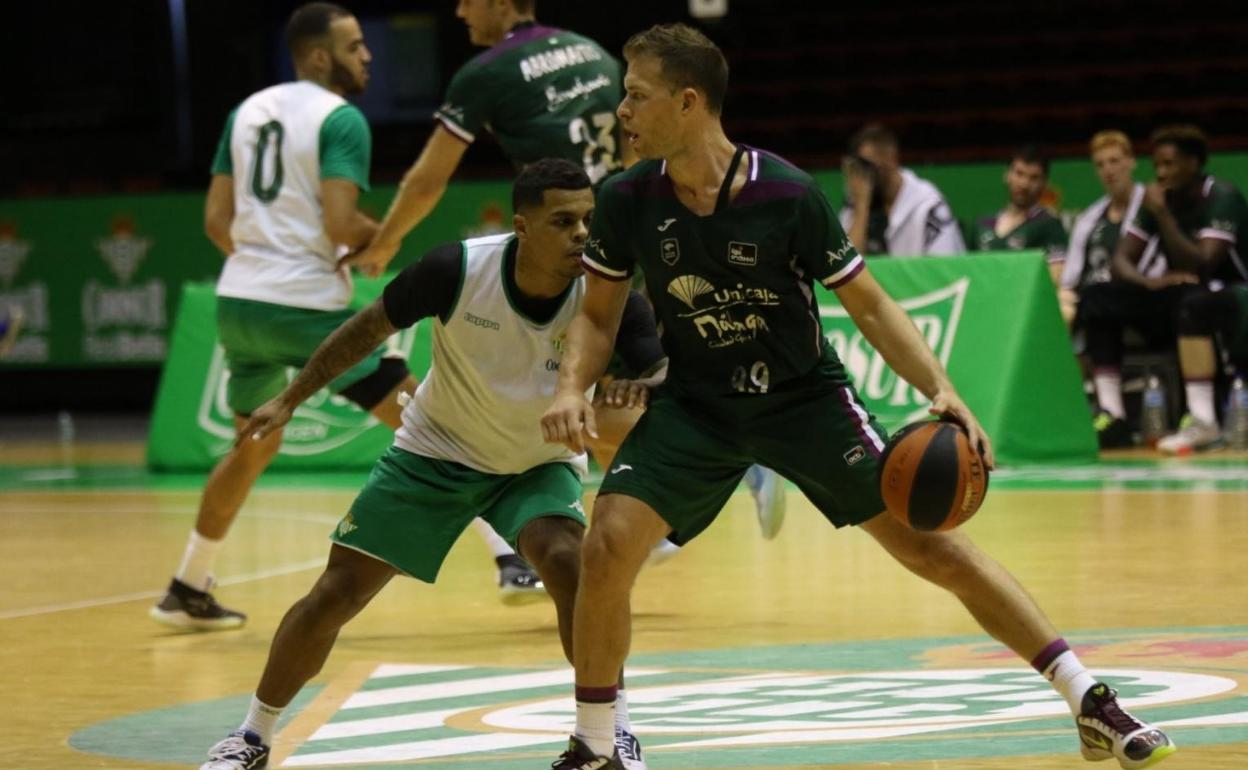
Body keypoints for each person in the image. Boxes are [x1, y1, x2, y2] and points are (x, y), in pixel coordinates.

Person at [539, 24, 1175, 770]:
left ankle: (1089, 701)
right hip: (699, 408)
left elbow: (871, 306)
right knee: (608, 542)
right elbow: (595, 313)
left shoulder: (785, 192)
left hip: (805, 403)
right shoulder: (624, 199)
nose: (622, 111)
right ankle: (594, 743)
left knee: (933, 548)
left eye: (636, 96)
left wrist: (941, 389)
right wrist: (570, 384)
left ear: (687, 102)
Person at [196, 159, 650, 770]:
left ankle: (607, 732)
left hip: (535, 463)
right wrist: (290, 396)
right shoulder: (458, 269)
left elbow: (656, 368)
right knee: (336, 593)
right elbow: (364, 330)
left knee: (571, 565)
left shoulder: (609, 287)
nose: (581, 235)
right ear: (522, 226)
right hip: (437, 449)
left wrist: (636, 389)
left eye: (589, 221)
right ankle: (252, 735)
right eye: (563, 221)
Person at [149, 3, 538, 633]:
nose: (369, 56)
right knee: (439, 423)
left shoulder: (246, 112)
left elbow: (217, 223)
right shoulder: (341, 119)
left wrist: (268, 261)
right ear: (321, 56)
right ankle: (512, 558)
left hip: (238, 303)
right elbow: (339, 223)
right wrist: (380, 241)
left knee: (252, 448)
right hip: (303, 307)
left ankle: (189, 583)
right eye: (356, 47)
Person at [1117, 126, 1248, 453]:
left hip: (1237, 291)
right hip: (1186, 292)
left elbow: (1203, 264)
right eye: (1157, 166)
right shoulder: (1160, 198)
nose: (1161, 174)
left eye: (1170, 165)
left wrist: (1161, 214)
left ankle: (1203, 422)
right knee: (1098, 300)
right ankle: (1111, 415)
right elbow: (1120, 260)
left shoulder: (1222, 197)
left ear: (1194, 163)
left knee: (1194, 303)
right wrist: (1149, 282)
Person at [1060, 131, 1148, 327]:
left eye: (1114, 161)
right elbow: (1070, 279)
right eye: (1100, 164)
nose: (1108, 170)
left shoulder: (1150, 207)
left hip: (1130, 297)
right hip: (1088, 299)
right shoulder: (1089, 218)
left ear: (1131, 161)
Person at [839, 123, 964, 257]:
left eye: (867, 167)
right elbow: (846, 268)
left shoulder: (928, 207)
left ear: (890, 158)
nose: (863, 177)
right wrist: (861, 207)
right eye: (858, 170)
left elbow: (944, 266)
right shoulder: (855, 205)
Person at [972, 146, 1069, 279]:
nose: (1024, 184)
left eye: (1033, 178)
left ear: (1044, 183)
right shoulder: (982, 224)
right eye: (1019, 174)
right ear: (1007, 175)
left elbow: (1056, 277)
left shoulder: (1049, 225)